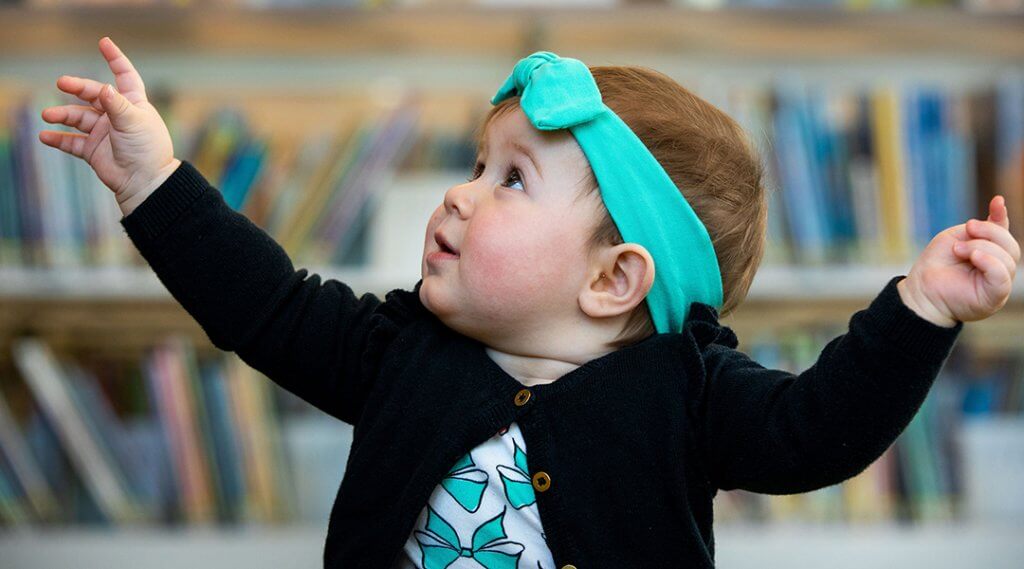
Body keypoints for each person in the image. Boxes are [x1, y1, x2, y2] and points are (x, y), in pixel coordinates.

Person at [40, 37, 1019, 569]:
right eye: (476, 162)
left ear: (612, 279)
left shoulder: (689, 395)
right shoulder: (398, 350)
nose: (458, 192)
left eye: (510, 179)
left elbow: (816, 431)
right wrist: (154, 183)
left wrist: (921, 305)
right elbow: (265, 304)